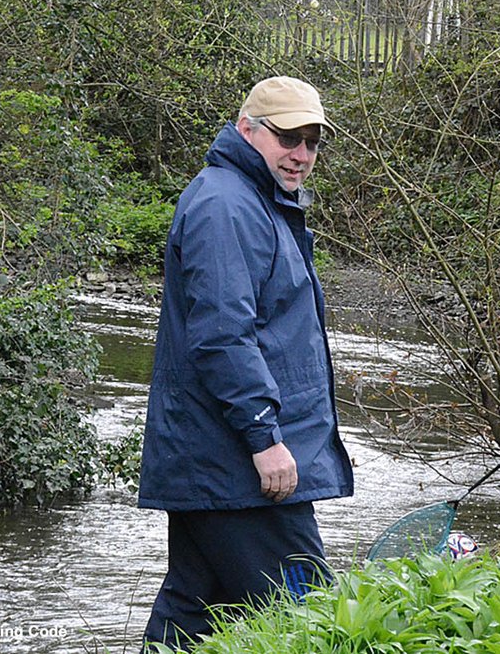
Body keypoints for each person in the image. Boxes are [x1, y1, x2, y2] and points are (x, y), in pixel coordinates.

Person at [139, 76, 354, 648]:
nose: (301, 155)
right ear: (247, 130)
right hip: (237, 468)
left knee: (191, 615)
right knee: (307, 618)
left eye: (312, 141)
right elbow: (222, 336)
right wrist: (265, 437)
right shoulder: (226, 206)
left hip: (214, 467)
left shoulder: (255, 201)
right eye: (289, 138)